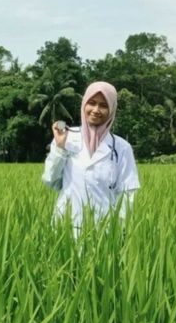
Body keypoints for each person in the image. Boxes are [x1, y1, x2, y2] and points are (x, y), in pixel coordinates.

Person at [42, 81, 140, 231]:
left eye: (103, 105)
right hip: (66, 226)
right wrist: (60, 148)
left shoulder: (121, 148)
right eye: (92, 103)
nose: (96, 110)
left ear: (112, 110)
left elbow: (127, 194)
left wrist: (118, 230)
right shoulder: (66, 137)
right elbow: (50, 181)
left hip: (104, 230)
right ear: (84, 104)